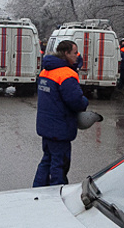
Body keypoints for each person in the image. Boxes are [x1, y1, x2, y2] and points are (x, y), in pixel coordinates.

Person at [33, 40, 89, 187]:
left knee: (47, 160)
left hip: (46, 125)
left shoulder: (47, 70)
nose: (77, 56)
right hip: (60, 127)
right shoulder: (66, 74)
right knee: (59, 163)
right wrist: (85, 102)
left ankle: (37, 190)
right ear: (66, 53)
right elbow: (75, 101)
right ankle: (57, 193)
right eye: (75, 53)